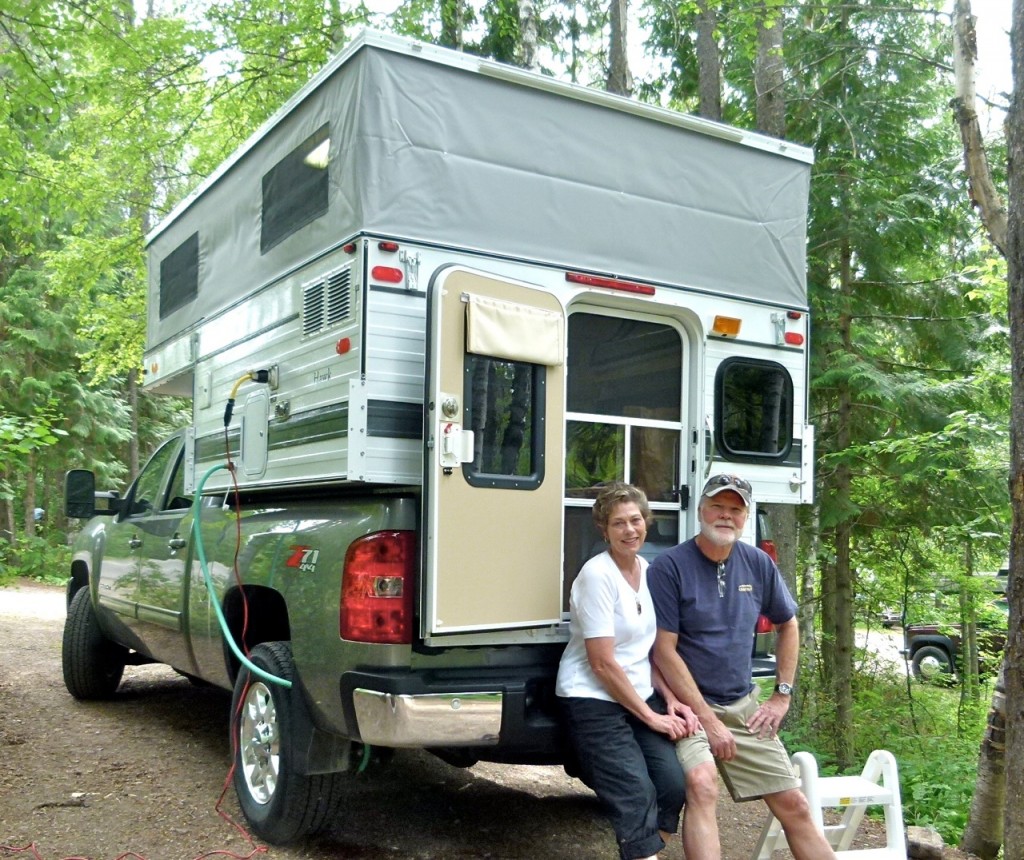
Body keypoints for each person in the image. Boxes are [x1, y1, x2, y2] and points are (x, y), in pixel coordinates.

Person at [649, 474, 837, 860]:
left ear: (746, 517)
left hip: (743, 705)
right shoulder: (669, 567)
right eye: (718, 506)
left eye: (735, 509)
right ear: (701, 510)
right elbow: (664, 651)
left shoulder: (758, 563)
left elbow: (789, 624)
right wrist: (708, 719)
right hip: (688, 708)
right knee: (702, 785)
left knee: (795, 805)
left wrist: (781, 696)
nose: (725, 515)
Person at [557, 482, 699, 860]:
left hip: (639, 696)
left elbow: (646, 651)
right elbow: (602, 662)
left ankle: (643, 852)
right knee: (635, 792)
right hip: (593, 700)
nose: (629, 530)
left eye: (635, 520)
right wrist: (651, 717)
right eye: (618, 523)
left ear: (646, 523)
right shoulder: (597, 576)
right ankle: (640, 852)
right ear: (604, 530)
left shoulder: (648, 571)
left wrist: (670, 700)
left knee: (672, 784)